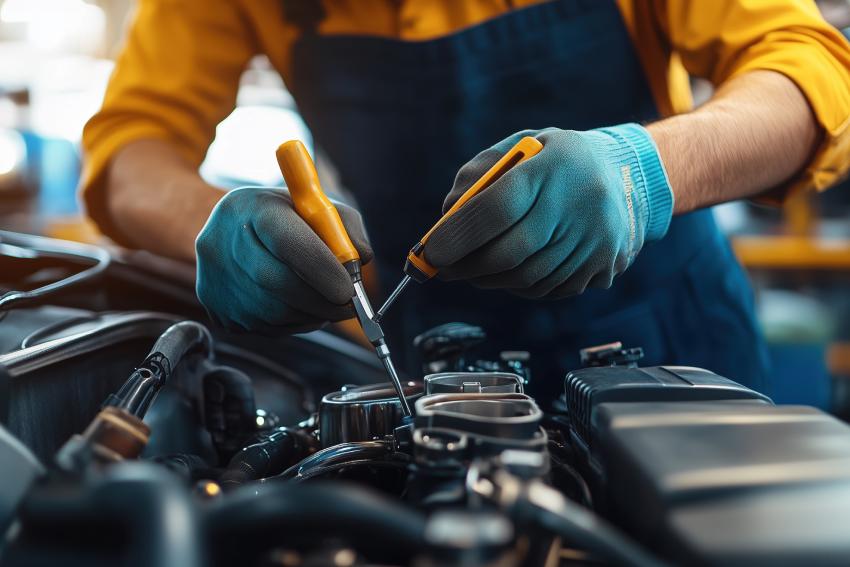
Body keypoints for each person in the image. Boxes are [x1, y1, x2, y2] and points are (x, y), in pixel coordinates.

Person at [82, 0, 850, 397]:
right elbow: (130, 146)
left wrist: (639, 170)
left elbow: (809, 75)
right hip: (432, 354)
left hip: (677, 343)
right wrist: (215, 226)